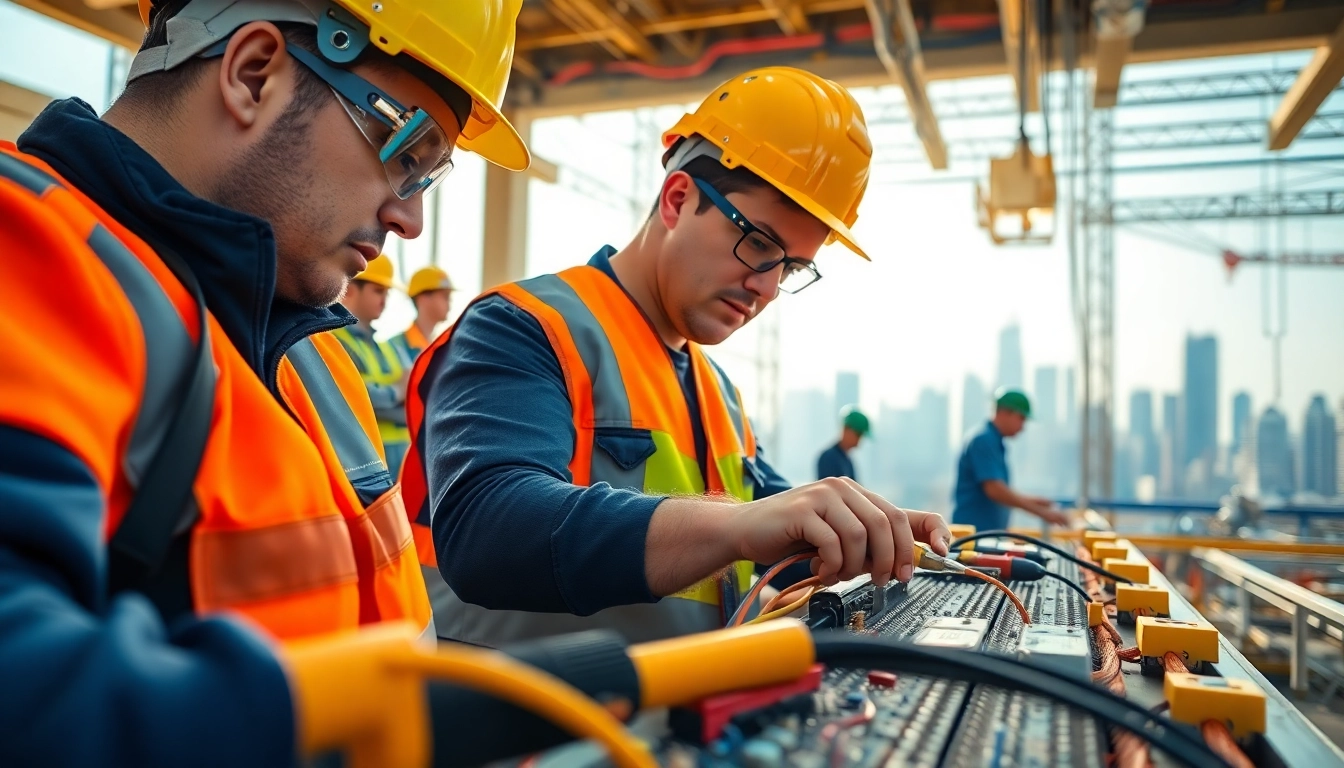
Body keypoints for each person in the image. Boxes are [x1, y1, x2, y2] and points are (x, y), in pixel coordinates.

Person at [0, 0, 527, 763]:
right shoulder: (28, 253)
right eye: (404, 147)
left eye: (430, 177)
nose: (409, 219)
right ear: (254, 73)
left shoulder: (315, 357)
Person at [402, 67, 953, 648]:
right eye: (759, 243)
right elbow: (486, 531)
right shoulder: (524, 327)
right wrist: (736, 525)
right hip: (528, 727)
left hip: (667, 728)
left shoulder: (719, 393)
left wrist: (865, 535)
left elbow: (773, 531)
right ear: (678, 197)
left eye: (789, 267)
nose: (766, 287)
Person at [335, 254, 413, 478]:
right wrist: (397, 391)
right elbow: (355, 398)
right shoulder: (335, 343)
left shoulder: (391, 350)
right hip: (362, 463)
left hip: (399, 461)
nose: (385, 300)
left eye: (387, 293)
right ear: (350, 289)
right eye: (378, 291)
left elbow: (416, 402)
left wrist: (381, 402)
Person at [952, 389, 1070, 531]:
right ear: (1004, 412)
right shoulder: (983, 440)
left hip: (984, 533)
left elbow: (998, 488)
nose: (1023, 427)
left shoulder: (992, 440)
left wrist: (1033, 501)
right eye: (1021, 418)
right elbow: (995, 490)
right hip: (975, 534)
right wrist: (1042, 512)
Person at [390, 265, 454, 362]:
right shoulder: (395, 347)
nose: (450, 301)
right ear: (422, 298)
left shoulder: (444, 346)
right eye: (445, 296)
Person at [817, 405, 869, 481]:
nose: (860, 439)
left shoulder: (847, 461)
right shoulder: (828, 458)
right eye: (858, 434)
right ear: (846, 429)